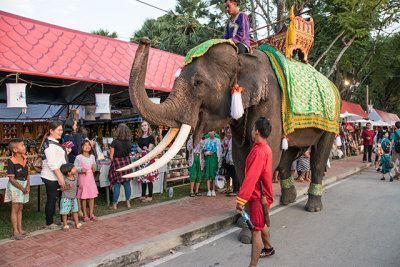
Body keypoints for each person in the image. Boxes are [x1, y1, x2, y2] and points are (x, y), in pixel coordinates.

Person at [236, 117, 275, 267]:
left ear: (257, 131)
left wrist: (241, 200)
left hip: (259, 197)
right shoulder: (265, 147)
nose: (251, 131)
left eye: (253, 129)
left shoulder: (259, 152)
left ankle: (252, 265)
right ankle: (269, 248)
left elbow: (251, 178)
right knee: (260, 223)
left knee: (255, 231)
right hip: (261, 195)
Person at [40, 121, 70, 230]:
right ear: (51, 131)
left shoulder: (56, 143)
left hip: (58, 175)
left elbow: (59, 160)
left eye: (61, 130)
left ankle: (64, 219)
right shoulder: (49, 144)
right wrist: (60, 177)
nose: (60, 132)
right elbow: (51, 163)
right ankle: (49, 222)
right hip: (51, 176)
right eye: (58, 130)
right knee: (52, 199)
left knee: (62, 199)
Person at [5, 139, 30, 240]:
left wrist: (28, 186)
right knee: (15, 208)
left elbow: (27, 174)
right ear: (15, 149)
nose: (24, 147)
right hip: (16, 186)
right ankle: (15, 231)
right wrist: (22, 188)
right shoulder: (11, 162)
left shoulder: (25, 159)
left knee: (20, 208)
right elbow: (11, 179)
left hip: (24, 185)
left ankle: (20, 229)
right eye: (22, 145)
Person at [108, 124, 133, 209]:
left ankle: (115, 205)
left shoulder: (114, 142)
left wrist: (113, 163)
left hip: (117, 162)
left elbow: (111, 156)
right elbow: (129, 154)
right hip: (127, 162)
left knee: (117, 184)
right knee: (127, 184)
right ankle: (128, 203)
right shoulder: (129, 142)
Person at [74, 140, 98, 222]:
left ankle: (91, 213)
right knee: (83, 197)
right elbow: (75, 168)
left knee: (91, 197)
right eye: (85, 145)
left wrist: (95, 166)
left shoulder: (92, 157)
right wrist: (81, 169)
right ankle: (84, 214)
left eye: (89, 145)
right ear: (81, 147)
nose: (87, 146)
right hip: (82, 179)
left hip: (90, 179)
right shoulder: (78, 157)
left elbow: (94, 166)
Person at [137, 121, 158, 203]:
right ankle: (143, 195)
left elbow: (150, 150)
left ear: (148, 126)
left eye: (145, 125)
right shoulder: (140, 137)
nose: (144, 127)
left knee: (149, 178)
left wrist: (146, 149)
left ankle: (150, 196)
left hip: (148, 159)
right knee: (142, 177)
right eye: (142, 126)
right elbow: (139, 147)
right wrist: (138, 149)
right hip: (141, 158)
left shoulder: (151, 137)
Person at [59, 163, 82, 230]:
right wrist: (68, 187)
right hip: (66, 198)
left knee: (75, 211)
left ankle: (76, 223)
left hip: (73, 198)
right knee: (65, 212)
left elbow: (74, 184)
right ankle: (65, 224)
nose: (75, 169)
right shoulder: (65, 180)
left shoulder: (75, 177)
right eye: (73, 168)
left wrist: (78, 186)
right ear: (69, 173)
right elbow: (62, 189)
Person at [204, 131, 222, 197]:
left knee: (214, 174)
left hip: (214, 158)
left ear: (214, 132)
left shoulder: (217, 140)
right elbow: (203, 151)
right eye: (209, 132)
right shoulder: (205, 141)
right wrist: (208, 153)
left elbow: (219, 151)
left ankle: (213, 189)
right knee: (208, 174)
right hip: (208, 158)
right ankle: (208, 190)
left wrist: (219, 162)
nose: (210, 133)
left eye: (211, 131)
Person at [224, 128, 239, 196]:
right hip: (232, 161)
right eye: (227, 133)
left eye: (229, 133)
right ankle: (236, 189)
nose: (228, 134)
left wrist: (230, 160)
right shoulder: (231, 140)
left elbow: (231, 152)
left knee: (235, 176)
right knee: (234, 175)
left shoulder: (233, 140)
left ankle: (235, 190)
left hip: (233, 161)